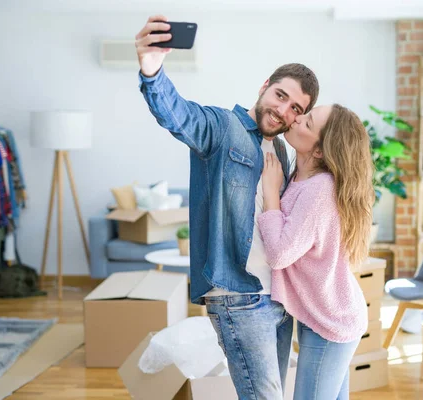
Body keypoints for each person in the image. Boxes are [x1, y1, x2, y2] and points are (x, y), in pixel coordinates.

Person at [135, 15, 320, 399]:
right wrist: (151, 68)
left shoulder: (284, 152)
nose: (283, 111)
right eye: (280, 96)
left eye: (295, 108)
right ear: (265, 87)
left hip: (278, 297)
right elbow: (178, 115)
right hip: (239, 296)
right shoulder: (222, 128)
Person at [259, 104, 374, 399]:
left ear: (320, 151)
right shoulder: (302, 177)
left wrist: (271, 194)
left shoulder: (320, 189)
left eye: (307, 123)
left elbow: (280, 253)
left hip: (332, 323)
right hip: (323, 316)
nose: (296, 118)